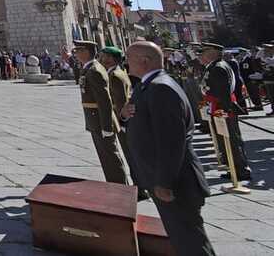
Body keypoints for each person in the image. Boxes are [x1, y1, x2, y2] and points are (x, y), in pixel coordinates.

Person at [123, 41, 214, 255]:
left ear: (144, 61)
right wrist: (125, 115)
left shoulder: (160, 88)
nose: (126, 62)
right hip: (164, 179)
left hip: (175, 183)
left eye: (129, 57)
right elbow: (142, 119)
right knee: (182, 238)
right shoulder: (149, 85)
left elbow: (172, 141)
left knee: (191, 242)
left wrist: (164, 182)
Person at [74, 40, 127, 185]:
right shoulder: (90, 68)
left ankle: (121, 189)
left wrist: (107, 127)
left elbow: (105, 101)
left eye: (78, 50)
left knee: (110, 157)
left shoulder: (95, 70)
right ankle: (117, 186)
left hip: (100, 120)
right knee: (106, 157)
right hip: (95, 119)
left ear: (86, 52)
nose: (75, 54)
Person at [200, 42, 251, 181]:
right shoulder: (217, 66)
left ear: (213, 52)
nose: (201, 55)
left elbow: (222, 92)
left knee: (231, 141)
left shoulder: (218, 68)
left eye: (204, 52)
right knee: (227, 140)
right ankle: (234, 168)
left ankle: (240, 170)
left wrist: (223, 109)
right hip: (220, 107)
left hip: (222, 108)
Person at [100, 45, 146, 200]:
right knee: (131, 154)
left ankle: (140, 189)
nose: (101, 59)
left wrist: (121, 122)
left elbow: (120, 102)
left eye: (105, 56)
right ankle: (140, 187)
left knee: (131, 155)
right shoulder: (116, 72)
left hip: (122, 121)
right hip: (122, 119)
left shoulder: (115, 76)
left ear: (111, 59)